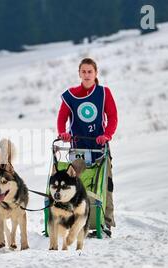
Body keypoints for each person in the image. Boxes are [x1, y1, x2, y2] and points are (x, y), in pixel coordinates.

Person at [56, 57, 118, 236]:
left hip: (100, 148)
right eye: (83, 71)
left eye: (90, 71)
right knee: (77, 185)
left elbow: (112, 117)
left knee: (104, 185)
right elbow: (62, 118)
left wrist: (107, 135)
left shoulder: (104, 93)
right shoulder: (71, 95)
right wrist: (63, 133)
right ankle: (75, 222)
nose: (87, 74)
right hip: (78, 148)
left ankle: (105, 224)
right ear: (79, 74)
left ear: (96, 73)